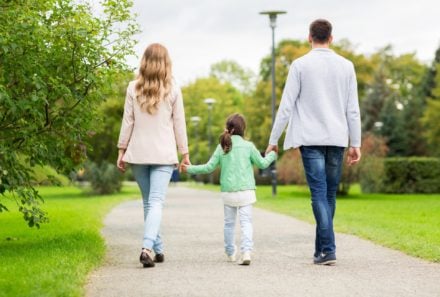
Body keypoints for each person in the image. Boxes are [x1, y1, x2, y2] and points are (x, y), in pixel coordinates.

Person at [266, 19, 361, 265]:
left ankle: (327, 249)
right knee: (328, 194)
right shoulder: (346, 66)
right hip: (338, 138)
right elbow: (353, 110)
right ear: (331, 38)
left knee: (319, 192)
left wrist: (273, 140)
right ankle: (322, 250)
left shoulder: (300, 65)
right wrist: (356, 143)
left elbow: (286, 106)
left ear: (310, 37)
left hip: (310, 138)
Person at [116, 43, 189, 268]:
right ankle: (147, 248)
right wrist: (184, 152)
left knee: (149, 202)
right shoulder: (173, 89)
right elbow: (179, 123)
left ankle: (157, 248)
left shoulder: (132, 88)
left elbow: (128, 121)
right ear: (166, 63)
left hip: (138, 153)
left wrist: (122, 149)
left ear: (144, 62)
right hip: (164, 154)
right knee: (155, 201)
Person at [182, 114, 277, 265]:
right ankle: (246, 252)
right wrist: (272, 154)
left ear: (228, 129)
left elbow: (208, 167)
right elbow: (263, 164)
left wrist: (189, 169)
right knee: (246, 222)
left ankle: (230, 253)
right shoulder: (249, 146)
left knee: (229, 224)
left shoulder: (222, 147)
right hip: (246, 191)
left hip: (228, 193)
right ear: (243, 129)